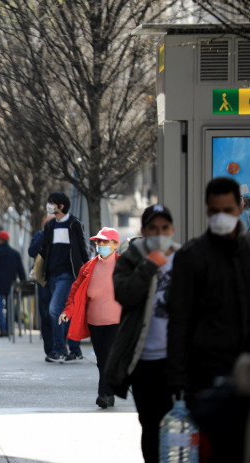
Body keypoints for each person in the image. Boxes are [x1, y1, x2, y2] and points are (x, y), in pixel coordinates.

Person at [168, 177, 250, 462]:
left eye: (227, 210)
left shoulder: (247, 252)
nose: (221, 218)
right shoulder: (192, 258)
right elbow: (178, 321)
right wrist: (178, 380)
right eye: (215, 211)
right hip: (206, 378)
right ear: (206, 211)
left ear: (240, 207)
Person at [105, 204, 178, 463]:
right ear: (143, 231)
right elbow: (124, 294)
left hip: (176, 360)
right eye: (153, 228)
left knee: (175, 422)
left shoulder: (182, 258)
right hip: (144, 360)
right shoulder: (131, 257)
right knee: (150, 423)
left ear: (172, 229)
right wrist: (149, 266)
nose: (159, 233)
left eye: (164, 228)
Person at [59, 227, 122, 409]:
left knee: (109, 357)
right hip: (95, 321)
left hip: (116, 321)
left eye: (105, 241)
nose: (100, 245)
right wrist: (67, 312)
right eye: (98, 242)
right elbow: (75, 293)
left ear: (115, 245)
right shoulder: (88, 268)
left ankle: (103, 394)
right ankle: (108, 393)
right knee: (102, 359)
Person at [39, 191, 89, 363]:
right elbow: (45, 250)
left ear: (60, 206)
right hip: (51, 276)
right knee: (65, 312)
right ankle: (74, 350)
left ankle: (59, 349)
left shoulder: (74, 224)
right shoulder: (50, 226)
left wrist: (88, 270)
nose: (48, 206)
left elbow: (82, 250)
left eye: (51, 203)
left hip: (68, 276)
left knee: (54, 310)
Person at [0, 230, 26, 337]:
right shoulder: (15, 254)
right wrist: (23, 283)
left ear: (0, 240)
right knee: (10, 306)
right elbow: (21, 271)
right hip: (11, 285)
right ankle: (10, 328)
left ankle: (2, 330)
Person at [28, 214, 54, 357]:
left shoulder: (62, 235)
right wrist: (44, 234)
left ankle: (60, 346)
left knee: (56, 312)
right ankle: (50, 349)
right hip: (43, 278)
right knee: (45, 314)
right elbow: (32, 252)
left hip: (58, 277)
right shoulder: (40, 235)